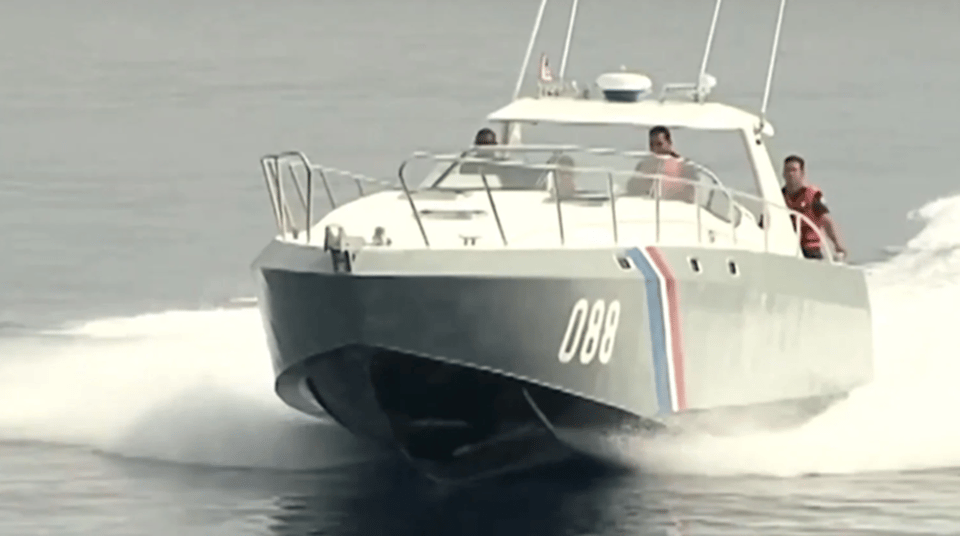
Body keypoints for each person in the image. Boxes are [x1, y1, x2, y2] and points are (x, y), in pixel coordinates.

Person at [781, 155, 848, 260]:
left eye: (794, 170)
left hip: (810, 250)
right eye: (787, 170)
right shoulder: (778, 196)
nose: (790, 174)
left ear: (802, 173)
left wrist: (837, 245)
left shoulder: (812, 195)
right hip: (785, 247)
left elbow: (826, 221)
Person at [626, 125, 697, 202]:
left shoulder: (685, 165)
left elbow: (691, 192)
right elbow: (631, 187)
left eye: (659, 144)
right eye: (651, 145)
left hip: (677, 206)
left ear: (669, 143)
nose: (654, 148)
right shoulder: (645, 163)